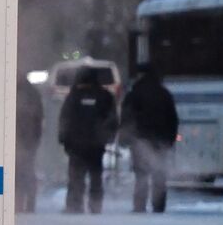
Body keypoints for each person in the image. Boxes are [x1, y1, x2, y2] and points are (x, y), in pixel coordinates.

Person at [58, 65, 117, 214]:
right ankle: (95, 205)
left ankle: (74, 205)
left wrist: (64, 139)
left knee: (75, 176)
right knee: (96, 176)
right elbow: (112, 120)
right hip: (96, 145)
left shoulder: (73, 96)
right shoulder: (105, 96)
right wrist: (108, 137)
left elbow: (65, 119)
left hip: (76, 144)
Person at [121, 63, 178, 213]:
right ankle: (159, 205)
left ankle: (139, 205)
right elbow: (173, 118)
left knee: (141, 174)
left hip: (140, 139)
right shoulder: (164, 94)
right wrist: (170, 139)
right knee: (159, 174)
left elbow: (127, 118)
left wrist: (125, 138)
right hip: (161, 140)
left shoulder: (134, 94)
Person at [15, 73, 44, 213]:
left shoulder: (17, 92)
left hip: (22, 138)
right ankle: (29, 203)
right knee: (27, 171)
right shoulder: (33, 93)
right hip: (29, 138)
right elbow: (39, 117)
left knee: (19, 171)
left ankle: (18, 203)